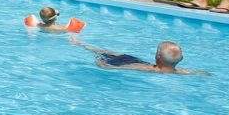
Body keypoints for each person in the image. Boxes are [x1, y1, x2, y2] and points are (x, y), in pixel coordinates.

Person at [70, 36, 208, 75]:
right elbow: (192, 72)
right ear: (181, 59)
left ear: (157, 57)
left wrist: (104, 66)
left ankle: (80, 44)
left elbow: (127, 67)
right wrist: (202, 73)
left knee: (104, 53)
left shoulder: (148, 69)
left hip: (125, 63)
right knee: (112, 53)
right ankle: (82, 44)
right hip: (134, 61)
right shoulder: (179, 72)